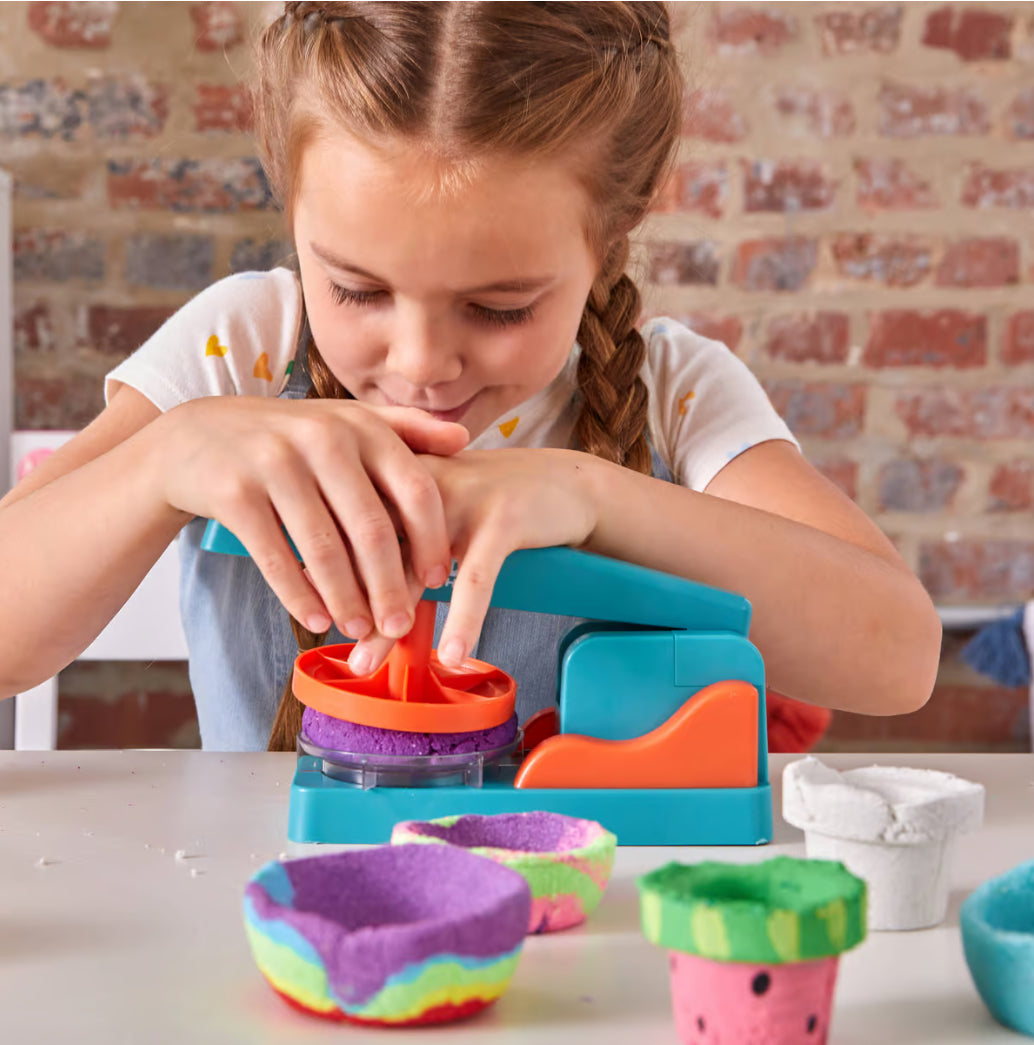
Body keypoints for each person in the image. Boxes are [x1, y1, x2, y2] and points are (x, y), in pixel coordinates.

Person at [0, 2, 941, 751]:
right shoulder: (243, 347)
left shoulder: (677, 396)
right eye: (358, 289)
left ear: (616, 232)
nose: (419, 363)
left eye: (499, 308)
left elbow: (899, 658)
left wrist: (591, 493)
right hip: (283, 922)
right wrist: (165, 455)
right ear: (291, 203)